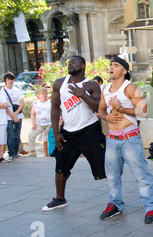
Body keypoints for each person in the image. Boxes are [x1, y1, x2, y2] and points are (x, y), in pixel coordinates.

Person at [98, 57, 153, 224]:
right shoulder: (105, 89)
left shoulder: (130, 88)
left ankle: (152, 206)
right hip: (112, 139)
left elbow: (144, 110)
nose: (111, 67)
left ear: (124, 71)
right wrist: (107, 117)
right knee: (112, 176)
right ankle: (115, 204)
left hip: (129, 138)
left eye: (116, 65)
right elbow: (100, 110)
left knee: (141, 175)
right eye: (110, 65)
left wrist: (120, 108)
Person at [42, 55, 106, 212]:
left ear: (83, 65)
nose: (70, 64)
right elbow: (55, 108)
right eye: (69, 63)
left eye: (74, 62)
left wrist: (82, 94)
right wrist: (56, 132)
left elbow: (97, 108)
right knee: (61, 166)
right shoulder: (59, 83)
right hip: (68, 132)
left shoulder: (91, 85)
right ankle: (59, 198)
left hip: (89, 130)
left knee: (106, 166)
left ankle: (115, 200)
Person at [3, 72, 25, 163]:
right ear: (6, 81)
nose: (10, 81)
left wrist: (15, 114)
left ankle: (16, 152)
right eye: (8, 80)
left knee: (17, 135)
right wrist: (12, 115)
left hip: (18, 114)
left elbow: (22, 103)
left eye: (12, 79)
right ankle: (11, 153)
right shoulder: (3, 91)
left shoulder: (17, 90)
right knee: (10, 135)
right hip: (8, 117)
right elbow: (4, 106)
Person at [27, 87, 52, 157]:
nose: (44, 95)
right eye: (42, 94)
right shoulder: (36, 103)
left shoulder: (50, 102)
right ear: (39, 95)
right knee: (31, 134)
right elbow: (32, 114)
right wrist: (33, 124)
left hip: (49, 124)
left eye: (46, 93)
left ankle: (50, 152)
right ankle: (32, 151)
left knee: (47, 139)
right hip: (39, 124)